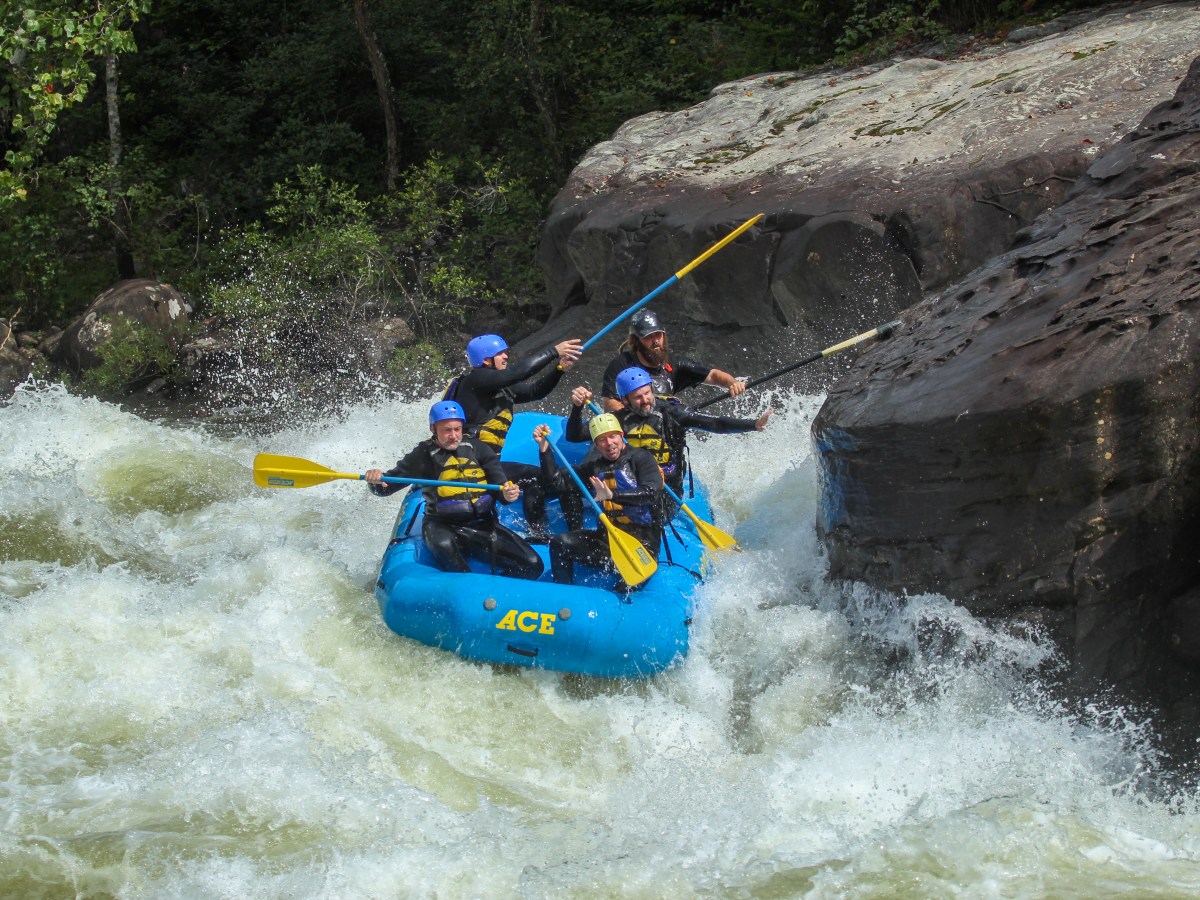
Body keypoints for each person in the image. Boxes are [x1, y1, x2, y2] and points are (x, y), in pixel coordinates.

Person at [366, 400, 544, 580]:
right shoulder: (422, 455)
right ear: (433, 428)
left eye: (457, 429)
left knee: (533, 564)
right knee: (443, 544)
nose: (453, 436)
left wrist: (508, 495)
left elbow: (500, 487)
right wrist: (375, 481)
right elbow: (386, 488)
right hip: (443, 525)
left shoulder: (479, 449)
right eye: (447, 430)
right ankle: (464, 582)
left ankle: (498, 587)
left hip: (483, 524)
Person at [445, 332, 583, 539]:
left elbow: (534, 391)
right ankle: (537, 532)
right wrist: (553, 351)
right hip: (468, 464)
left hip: (488, 463)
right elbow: (518, 373)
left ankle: (544, 531)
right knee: (534, 478)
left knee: (540, 477)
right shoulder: (476, 380)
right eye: (501, 354)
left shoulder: (501, 385)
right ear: (485, 360)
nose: (506, 357)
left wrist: (559, 369)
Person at [567, 367, 772, 499]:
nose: (645, 400)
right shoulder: (619, 419)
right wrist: (577, 408)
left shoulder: (673, 413)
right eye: (637, 397)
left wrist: (753, 425)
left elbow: (715, 423)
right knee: (572, 478)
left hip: (666, 488)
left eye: (647, 393)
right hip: (628, 480)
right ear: (625, 399)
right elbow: (575, 436)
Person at [533, 414, 664, 587]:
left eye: (613, 436)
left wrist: (613, 496)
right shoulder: (594, 467)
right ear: (595, 444)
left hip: (641, 545)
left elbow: (650, 493)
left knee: (625, 587)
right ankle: (564, 594)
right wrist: (544, 449)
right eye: (602, 440)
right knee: (559, 544)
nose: (609, 444)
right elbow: (557, 483)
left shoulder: (641, 458)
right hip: (607, 540)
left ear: (621, 436)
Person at [599, 308, 745, 412]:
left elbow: (713, 375)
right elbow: (609, 404)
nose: (655, 340)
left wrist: (732, 383)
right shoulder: (621, 365)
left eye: (658, 334)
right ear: (636, 341)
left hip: (662, 431)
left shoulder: (675, 364)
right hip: (634, 434)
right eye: (648, 336)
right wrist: (641, 417)